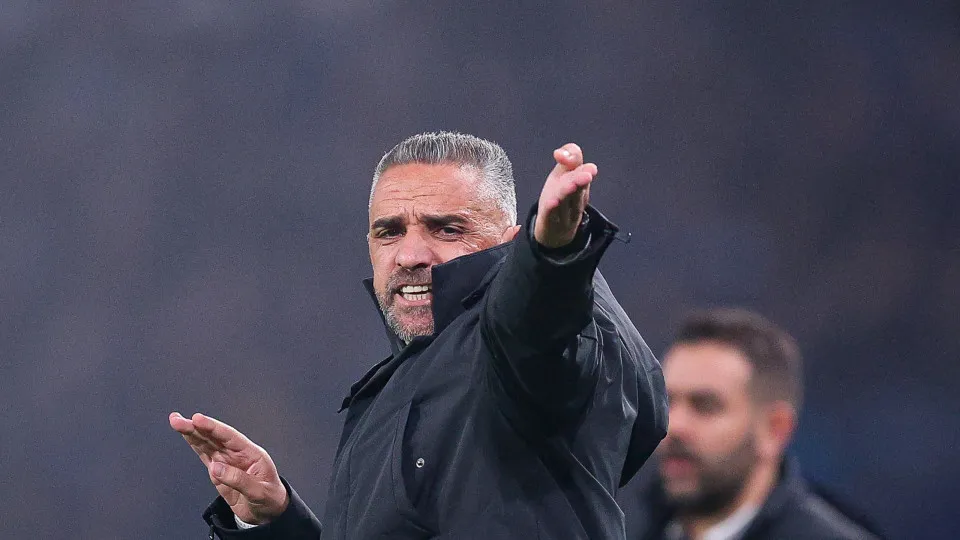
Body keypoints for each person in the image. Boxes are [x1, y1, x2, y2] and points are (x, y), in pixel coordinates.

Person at [170, 132, 668, 539]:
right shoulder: (398, 387)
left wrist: (552, 253)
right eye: (389, 232)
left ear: (511, 243)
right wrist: (277, 522)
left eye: (447, 229)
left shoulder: (525, 345)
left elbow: (535, 325)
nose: (410, 255)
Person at [619, 308, 883, 540]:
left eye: (706, 406)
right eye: (666, 402)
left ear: (775, 430)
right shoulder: (616, 528)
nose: (674, 426)